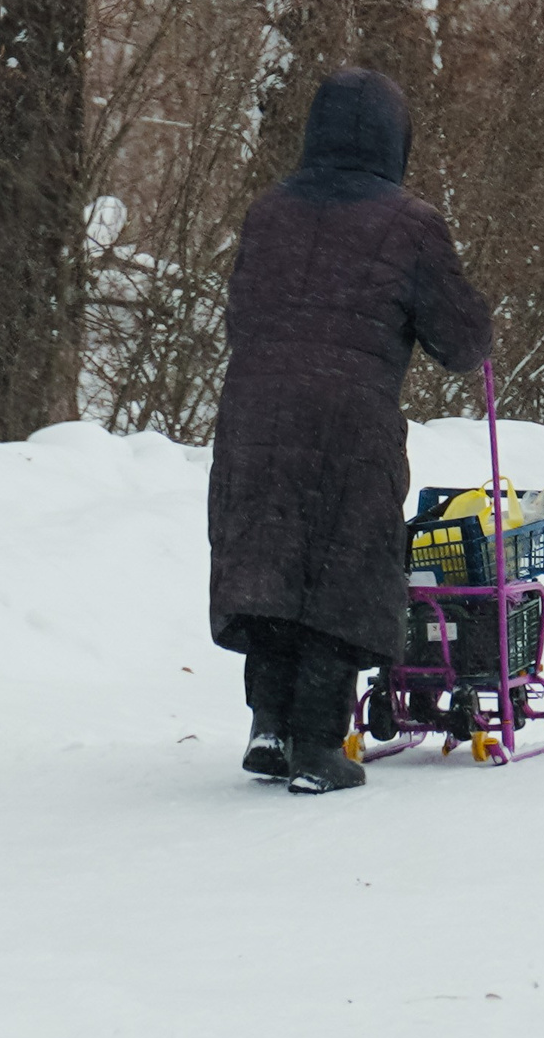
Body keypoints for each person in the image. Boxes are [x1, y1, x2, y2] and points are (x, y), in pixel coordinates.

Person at [207, 68, 493, 794]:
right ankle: (316, 744)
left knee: (269, 554)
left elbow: (242, 310)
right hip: (348, 418)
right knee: (342, 560)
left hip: (254, 411)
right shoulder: (410, 223)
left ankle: (267, 726)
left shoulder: (267, 211)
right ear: (396, 142)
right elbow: (458, 340)